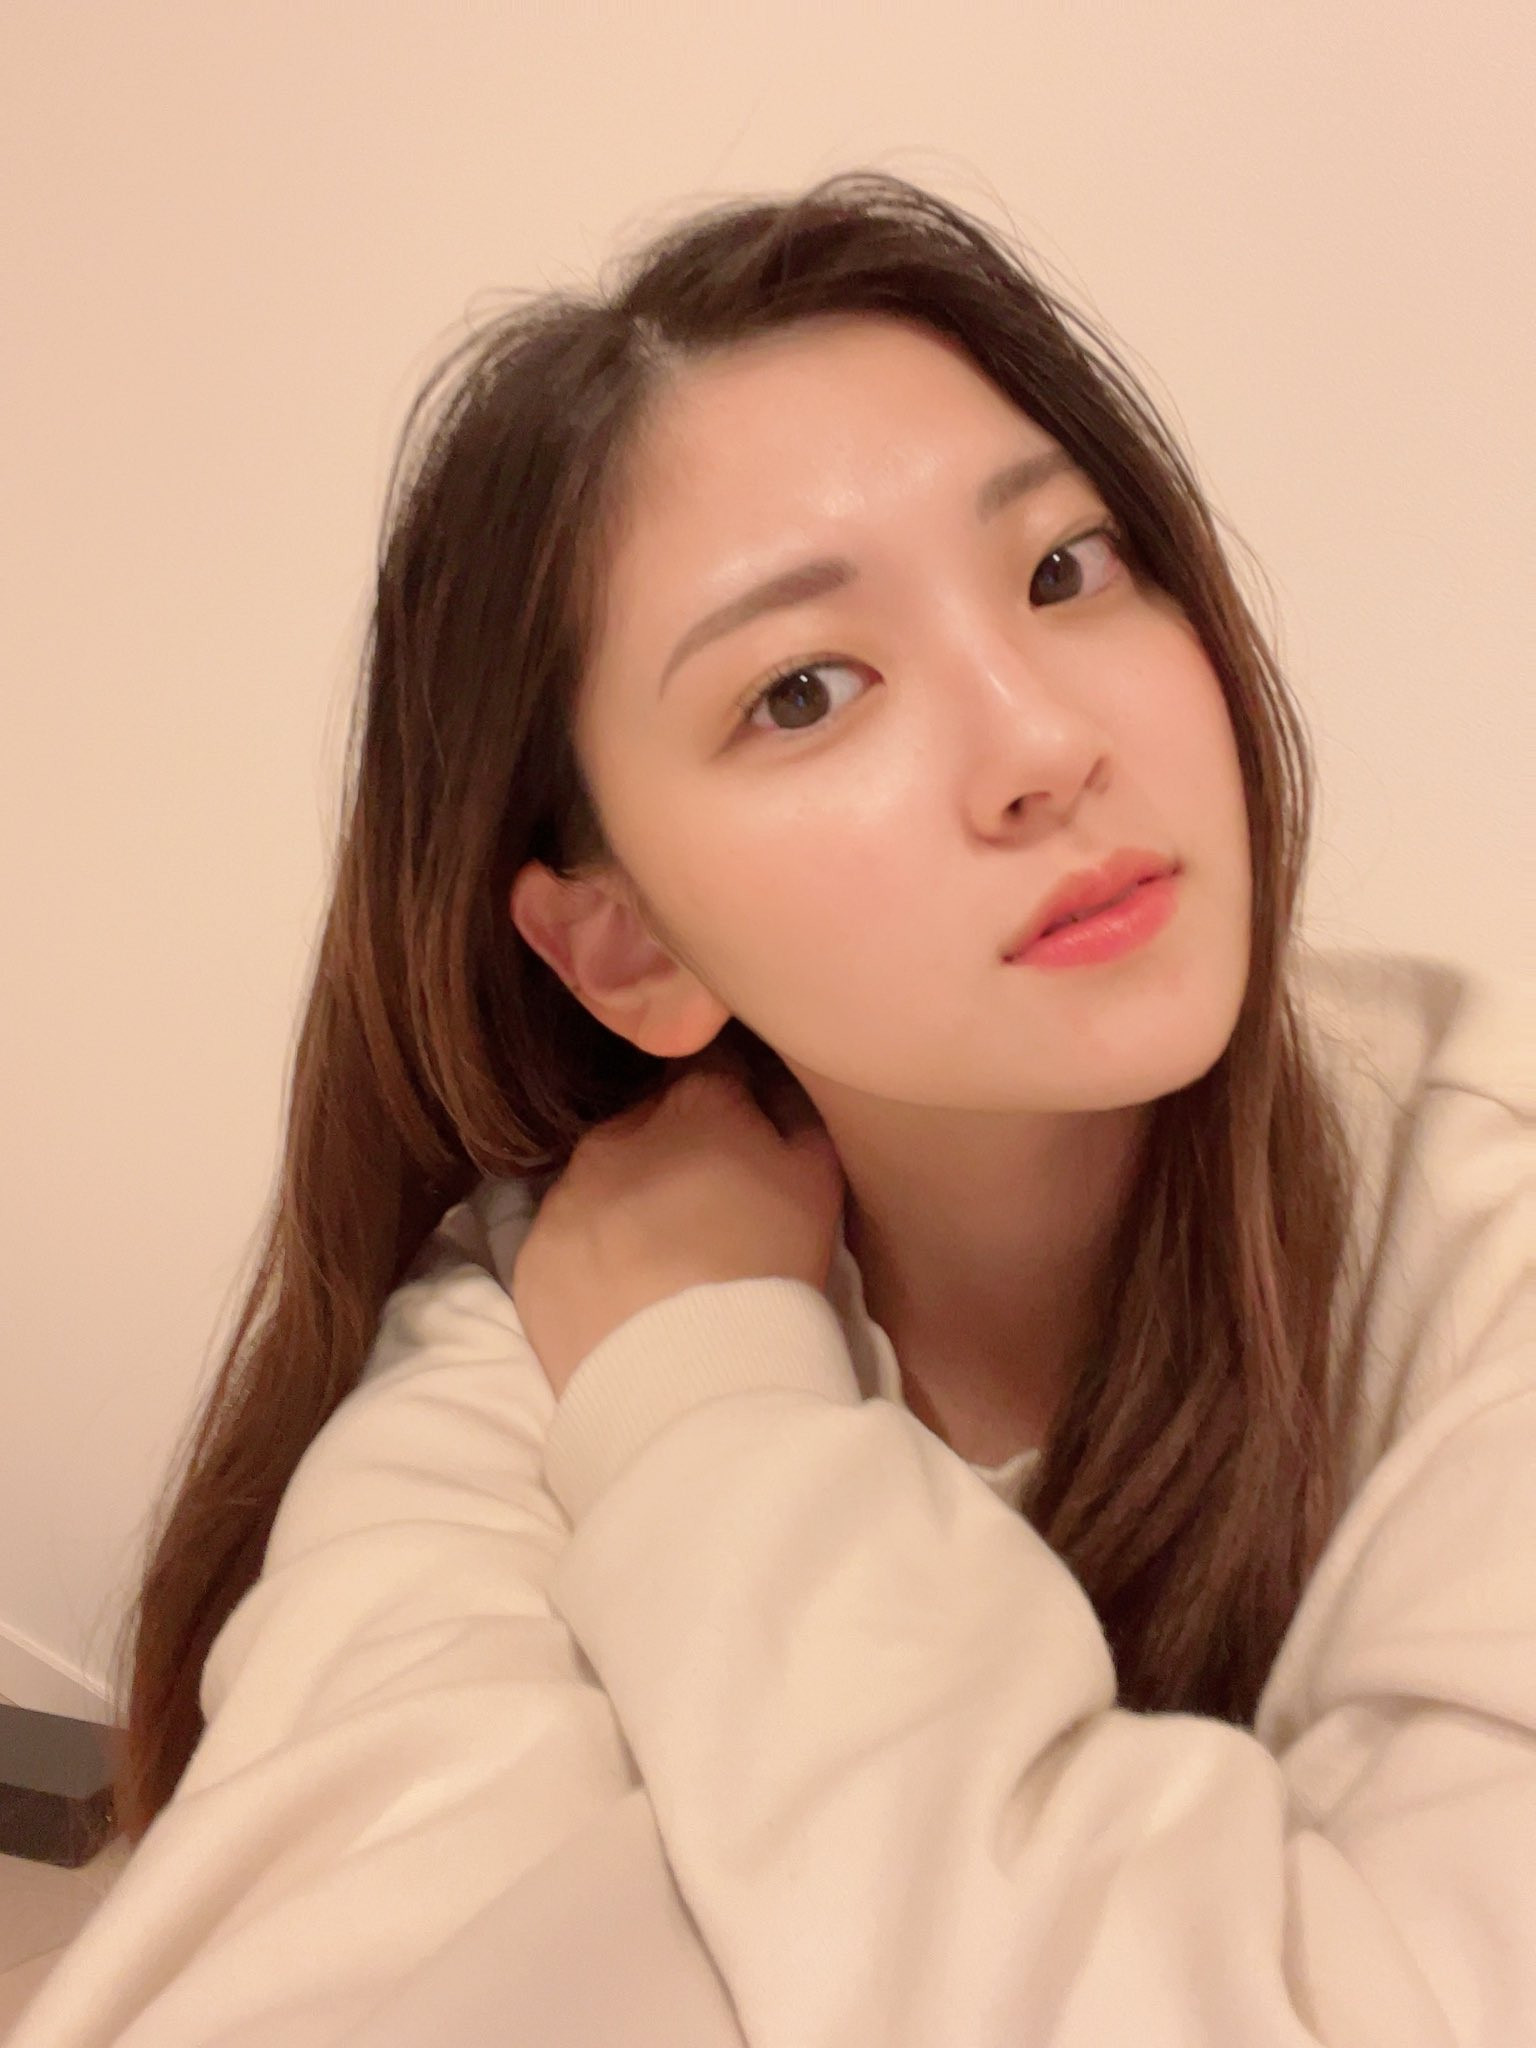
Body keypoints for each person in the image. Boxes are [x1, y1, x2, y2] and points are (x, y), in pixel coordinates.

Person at [12, 171, 1530, 2047]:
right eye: (805, 691)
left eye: (1066, 568)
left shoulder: (1482, 1215)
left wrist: (713, 1412)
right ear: (627, 944)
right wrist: (678, 1358)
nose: (1044, 742)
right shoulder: (562, 1306)